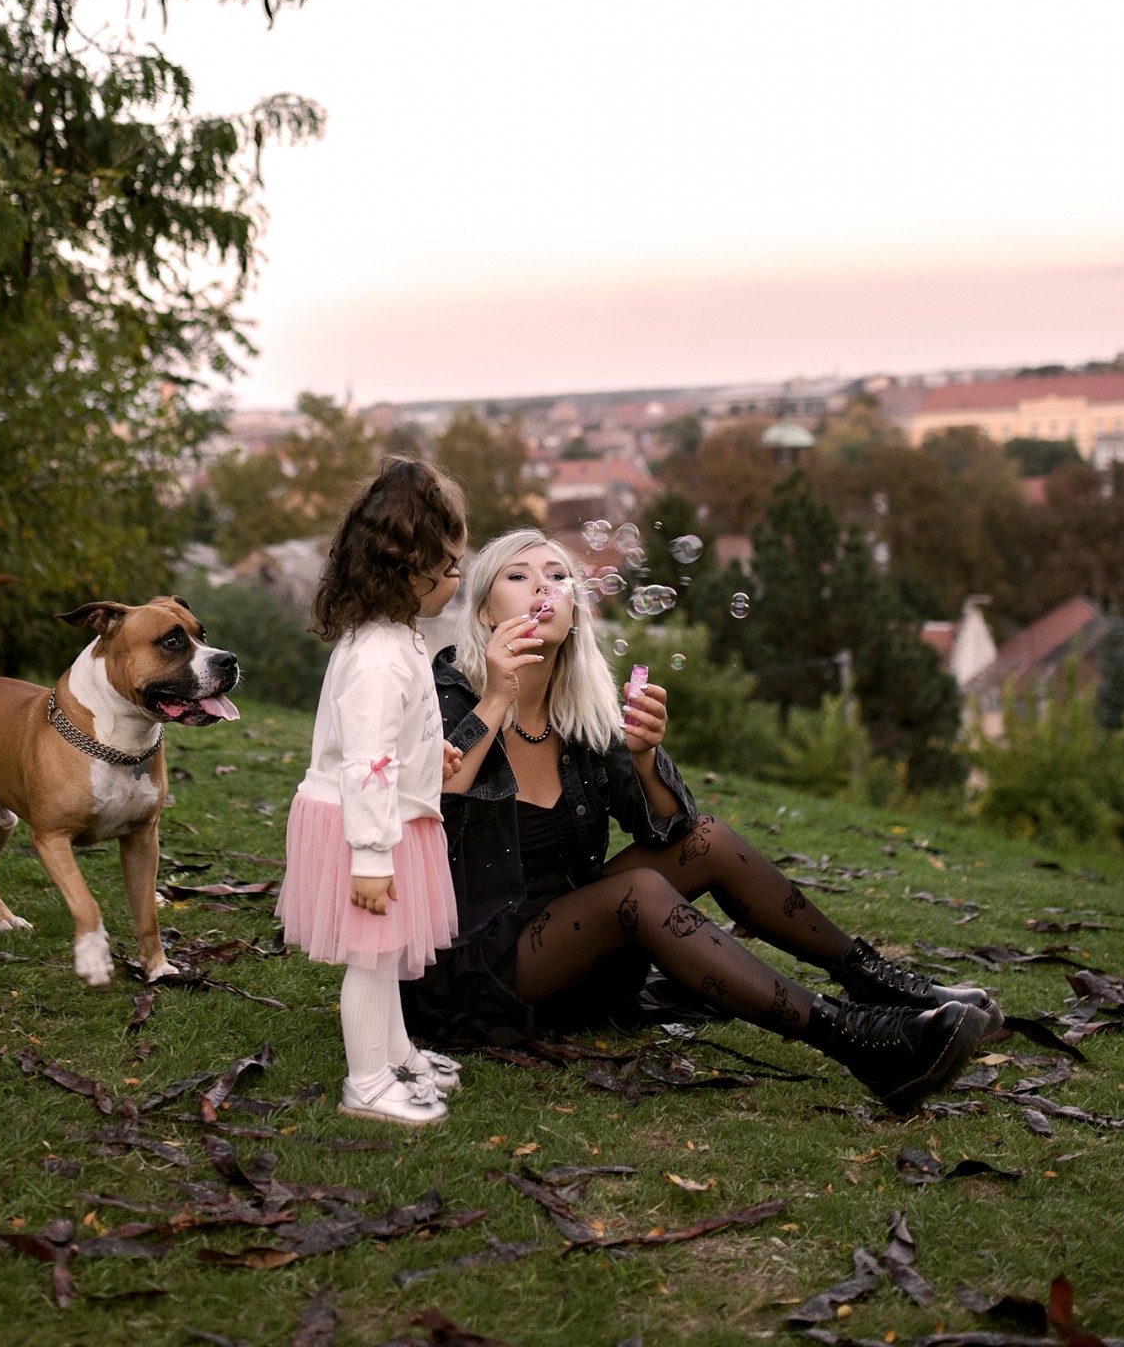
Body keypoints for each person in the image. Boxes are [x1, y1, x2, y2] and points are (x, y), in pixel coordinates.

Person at [402, 528, 998, 1115]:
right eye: (519, 575)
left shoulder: (582, 712)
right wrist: (498, 697)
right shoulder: (445, 696)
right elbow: (431, 801)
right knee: (637, 891)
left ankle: (879, 984)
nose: (544, 587)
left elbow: (671, 831)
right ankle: (856, 1039)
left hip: (573, 936)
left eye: (558, 576)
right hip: (477, 963)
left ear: (576, 612)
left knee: (708, 839)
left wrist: (644, 759)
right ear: (485, 612)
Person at [276, 458, 469, 1126]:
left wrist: (428, 753)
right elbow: (364, 763)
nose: (457, 580)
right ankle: (367, 1082)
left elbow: (391, 736)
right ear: (409, 572)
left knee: (385, 954)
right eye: (450, 568)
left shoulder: (395, 637)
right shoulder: (379, 656)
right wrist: (370, 858)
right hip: (363, 827)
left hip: (386, 817)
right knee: (372, 957)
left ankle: (397, 1054)